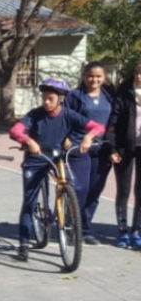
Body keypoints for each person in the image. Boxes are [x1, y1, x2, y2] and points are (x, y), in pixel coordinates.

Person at [9, 78, 105, 261]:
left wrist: (88, 137)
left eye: (50, 98)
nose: (46, 102)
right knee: (29, 201)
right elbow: (15, 130)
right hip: (36, 159)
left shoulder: (68, 115)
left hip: (57, 157)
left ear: (60, 98)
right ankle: (23, 244)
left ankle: (66, 218)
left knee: (72, 186)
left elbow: (97, 126)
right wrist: (28, 141)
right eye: (44, 98)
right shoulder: (35, 114)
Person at [64, 62, 115, 245]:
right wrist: (68, 139)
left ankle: (85, 229)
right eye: (90, 76)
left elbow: (113, 122)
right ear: (84, 77)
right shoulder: (75, 96)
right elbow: (66, 118)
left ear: (104, 78)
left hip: (102, 149)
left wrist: (115, 148)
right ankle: (70, 225)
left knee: (94, 191)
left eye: (98, 76)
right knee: (80, 189)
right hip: (79, 147)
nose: (94, 79)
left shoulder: (109, 96)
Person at [106, 61, 141, 249]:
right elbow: (112, 123)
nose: (139, 77)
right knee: (124, 190)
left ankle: (136, 231)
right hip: (123, 148)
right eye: (137, 72)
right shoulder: (124, 93)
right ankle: (122, 231)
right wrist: (112, 149)